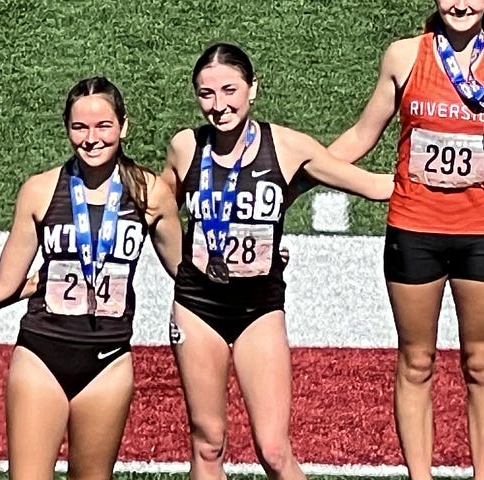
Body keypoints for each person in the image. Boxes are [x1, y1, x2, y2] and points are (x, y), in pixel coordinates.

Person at [327, 1, 484, 478]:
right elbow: (364, 133)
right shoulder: (405, 56)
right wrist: (302, 171)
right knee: (416, 361)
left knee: (482, 362)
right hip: (414, 228)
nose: (460, 5)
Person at [162, 42, 395, 480]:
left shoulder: (287, 147)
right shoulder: (185, 146)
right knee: (207, 443)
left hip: (259, 308)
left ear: (253, 89)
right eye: (206, 94)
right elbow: (158, 210)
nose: (218, 105)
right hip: (197, 309)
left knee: (273, 449)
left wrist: (445, 176)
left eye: (229, 90)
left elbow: (372, 186)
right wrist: (181, 267)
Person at [0, 76, 183, 480]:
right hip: (42, 355)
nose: (91, 138)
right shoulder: (39, 190)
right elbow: (4, 281)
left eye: (103, 125)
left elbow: (186, 273)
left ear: (124, 126)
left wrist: (254, 274)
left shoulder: (150, 193)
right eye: (79, 127)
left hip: (108, 361)